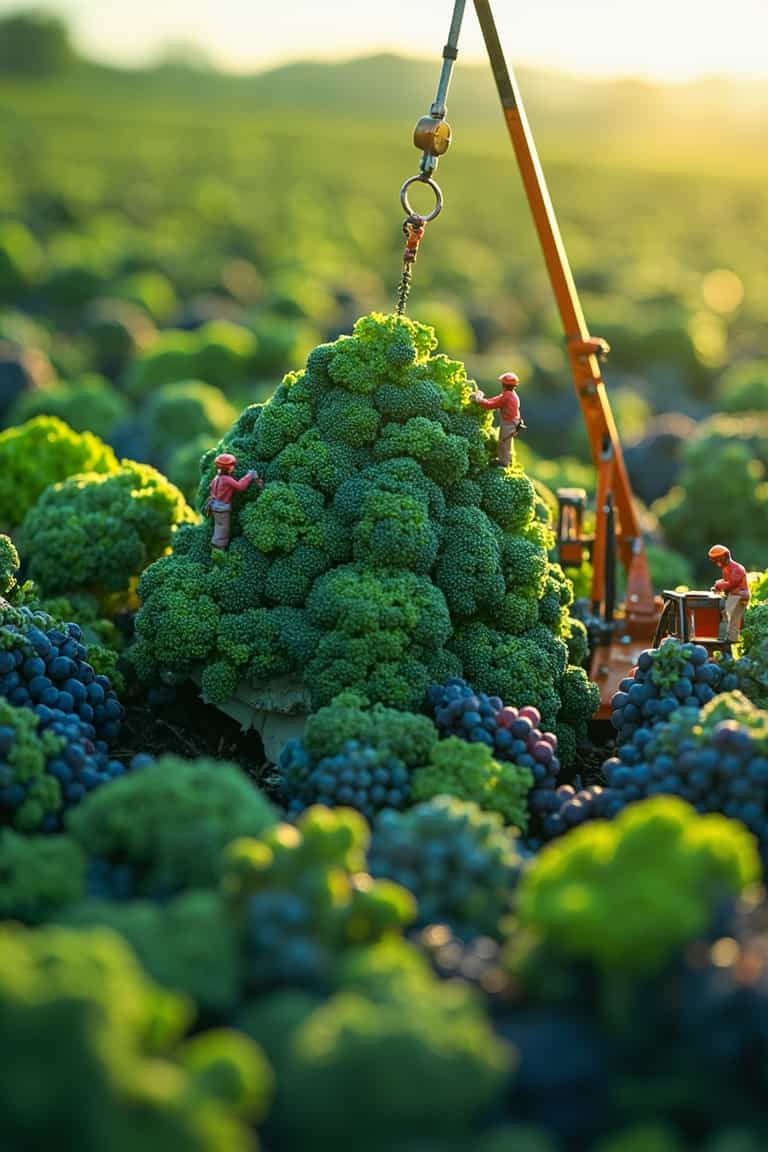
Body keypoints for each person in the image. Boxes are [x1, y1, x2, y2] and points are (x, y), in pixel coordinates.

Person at [206, 452, 262, 550]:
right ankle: (218, 550)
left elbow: (210, 488)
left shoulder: (217, 477)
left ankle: (215, 546)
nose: (234, 468)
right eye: (232, 466)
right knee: (223, 530)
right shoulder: (227, 479)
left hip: (214, 505)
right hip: (222, 508)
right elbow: (240, 487)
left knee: (218, 527)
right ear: (227, 468)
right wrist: (249, 475)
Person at [470, 372, 526, 467]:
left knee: (503, 442)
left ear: (503, 384)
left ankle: (504, 463)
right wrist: (483, 399)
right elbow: (496, 399)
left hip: (509, 423)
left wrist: (479, 400)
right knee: (507, 442)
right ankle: (508, 461)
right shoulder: (510, 394)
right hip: (513, 422)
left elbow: (491, 405)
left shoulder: (508, 396)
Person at [708, 544, 750, 642]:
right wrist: (719, 584)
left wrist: (720, 585)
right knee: (725, 614)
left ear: (726, 556)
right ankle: (725, 637)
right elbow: (726, 581)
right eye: (715, 560)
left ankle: (731, 639)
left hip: (740, 595)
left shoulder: (737, 569)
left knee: (732, 616)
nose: (717, 562)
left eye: (718, 559)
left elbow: (732, 583)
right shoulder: (725, 568)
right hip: (733, 595)